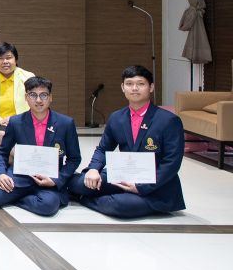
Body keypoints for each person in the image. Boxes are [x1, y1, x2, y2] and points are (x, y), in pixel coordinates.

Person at [69, 66, 186, 218]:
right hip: (123, 175)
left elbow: (172, 162)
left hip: (154, 185)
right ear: (123, 87)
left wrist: (141, 187)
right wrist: (93, 169)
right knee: (78, 183)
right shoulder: (117, 117)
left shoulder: (169, 120)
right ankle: (96, 193)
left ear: (151, 87)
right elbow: (103, 149)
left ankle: (84, 199)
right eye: (129, 84)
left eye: (141, 84)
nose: (134, 88)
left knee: (121, 206)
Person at [0, 76, 81, 217]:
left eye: (43, 95)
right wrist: (1, 173)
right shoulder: (16, 122)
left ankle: (16, 198)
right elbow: (3, 152)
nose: (38, 100)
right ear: (26, 97)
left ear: (51, 97)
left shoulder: (65, 123)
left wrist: (57, 180)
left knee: (48, 206)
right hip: (20, 175)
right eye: (33, 95)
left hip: (49, 177)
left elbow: (74, 158)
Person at [0, 42, 36, 155]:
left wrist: (14, 119)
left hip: (22, 121)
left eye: (9, 58)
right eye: (0, 58)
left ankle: (7, 162)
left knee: (2, 134)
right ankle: (12, 161)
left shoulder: (28, 77)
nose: (5, 62)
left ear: (16, 59)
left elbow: (35, 104)